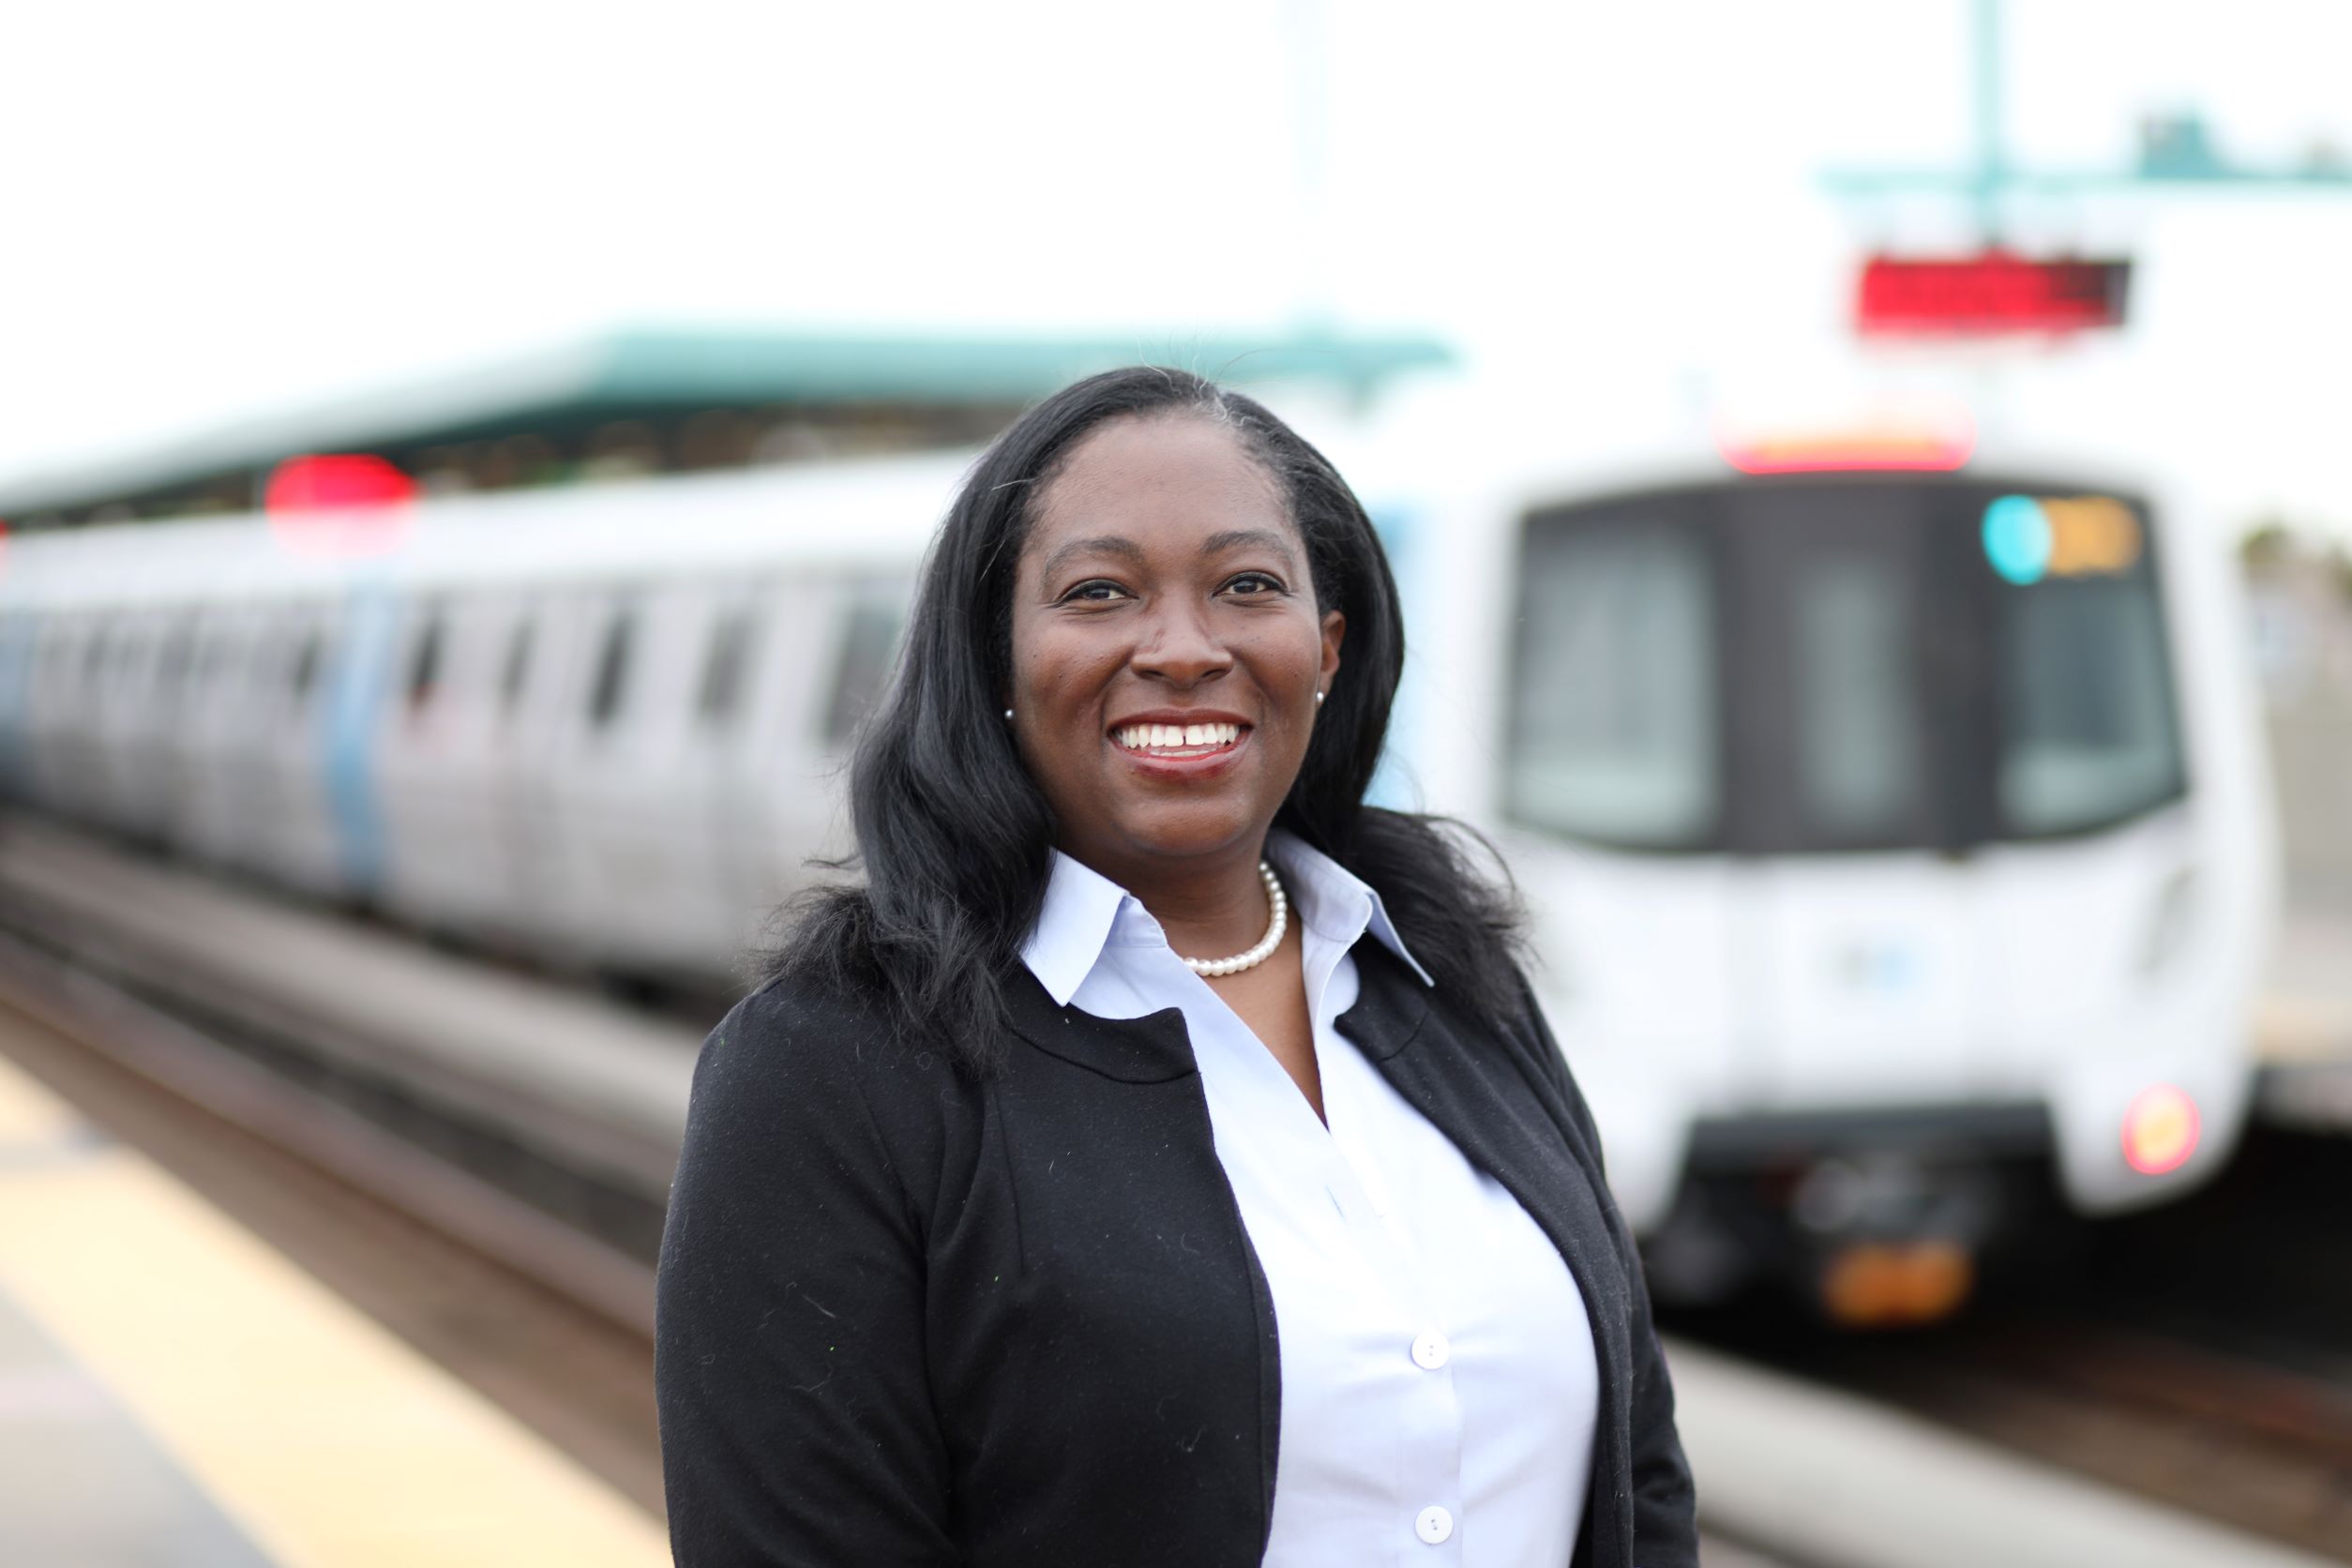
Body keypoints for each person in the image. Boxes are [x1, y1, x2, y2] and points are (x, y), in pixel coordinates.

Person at [655, 367, 1697, 1567]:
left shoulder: (1456, 982)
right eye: (1100, 593)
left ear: (1328, 646)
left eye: (1248, 586)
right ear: (996, 662)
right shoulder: (831, 1075)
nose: (1185, 649)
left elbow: (1639, 1469)